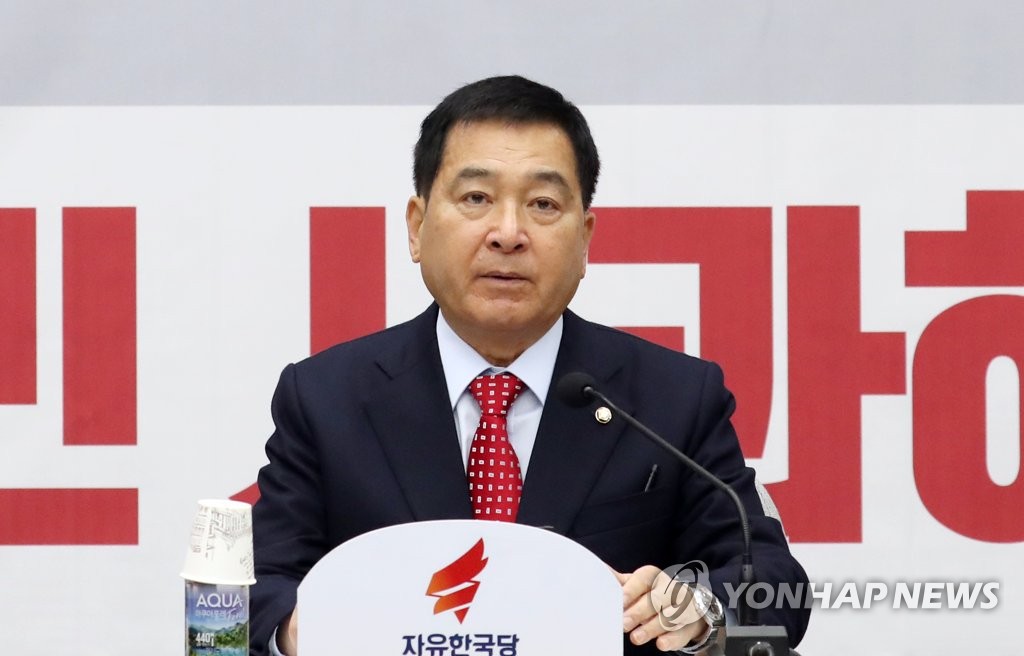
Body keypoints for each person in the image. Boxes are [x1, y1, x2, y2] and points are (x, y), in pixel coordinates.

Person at [250, 75, 810, 655]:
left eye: (543, 204)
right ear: (417, 227)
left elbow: (772, 582)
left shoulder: (673, 398)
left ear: (585, 238)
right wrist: (300, 627)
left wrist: (699, 608)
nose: (509, 234)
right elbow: (257, 587)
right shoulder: (326, 398)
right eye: (476, 199)